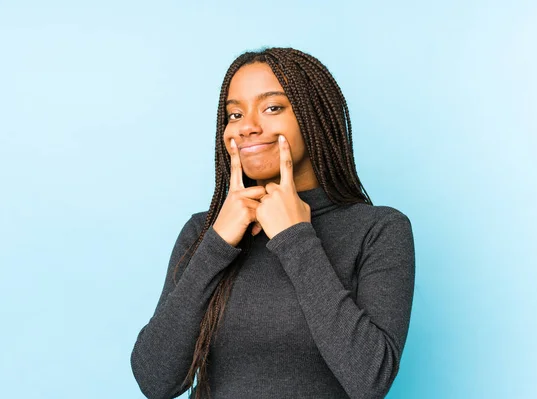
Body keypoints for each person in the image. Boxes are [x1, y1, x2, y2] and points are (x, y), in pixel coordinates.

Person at [130, 47, 415, 399]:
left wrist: (295, 238)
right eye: (234, 114)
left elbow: (369, 380)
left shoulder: (378, 230)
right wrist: (217, 244)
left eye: (272, 108)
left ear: (314, 118)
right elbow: (155, 381)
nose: (247, 127)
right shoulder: (203, 232)